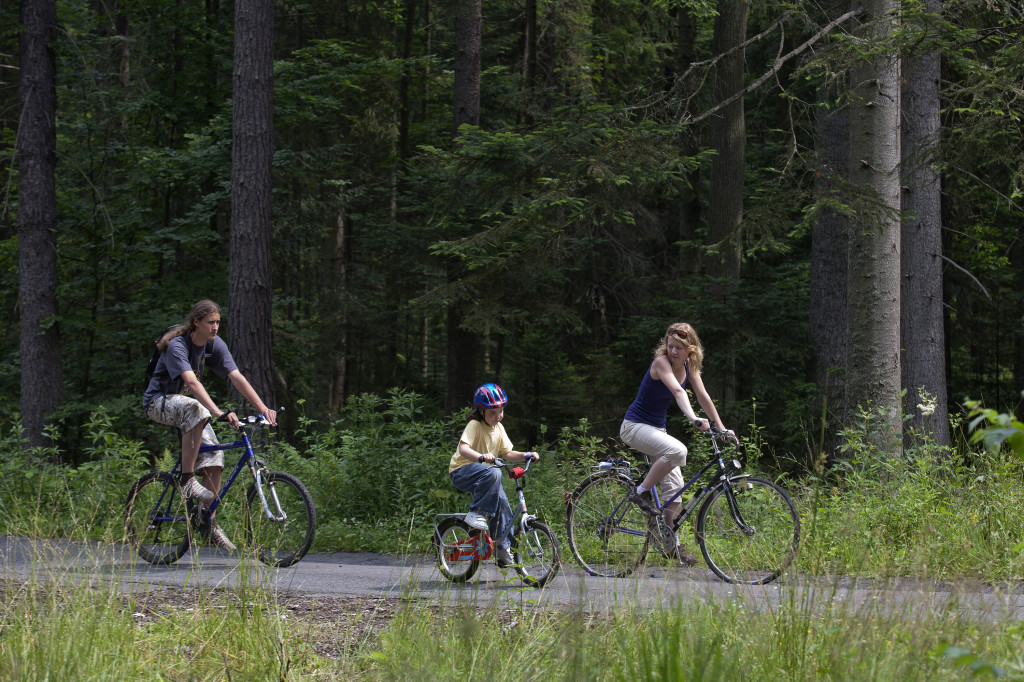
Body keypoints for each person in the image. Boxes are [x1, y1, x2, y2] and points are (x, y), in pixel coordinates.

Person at [142, 299, 277, 552]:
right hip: (158, 402)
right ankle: (186, 480)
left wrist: (263, 408)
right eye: (210, 322)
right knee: (197, 408)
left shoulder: (214, 345)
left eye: (218, 322)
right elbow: (192, 383)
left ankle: (208, 523)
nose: (215, 327)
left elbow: (236, 376)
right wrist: (218, 412)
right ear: (196, 322)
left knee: (215, 458)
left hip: (189, 411)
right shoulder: (178, 345)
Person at [620, 322, 735, 564]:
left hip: (656, 430)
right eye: (670, 346)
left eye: (679, 348)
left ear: (690, 350)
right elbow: (678, 392)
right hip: (634, 427)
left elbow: (702, 396)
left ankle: (671, 545)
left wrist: (721, 428)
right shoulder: (661, 363)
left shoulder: (689, 366)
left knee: (676, 491)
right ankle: (640, 492)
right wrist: (693, 418)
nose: (673, 352)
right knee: (678, 450)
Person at [448, 383, 537, 568]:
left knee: (503, 504)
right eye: (492, 413)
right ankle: (476, 513)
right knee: (494, 472)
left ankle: (502, 548)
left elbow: (508, 454)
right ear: (481, 411)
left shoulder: (499, 428)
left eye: (500, 411)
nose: (497, 416)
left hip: (485, 474)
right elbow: (464, 449)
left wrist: (526, 455)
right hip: (462, 471)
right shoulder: (475, 425)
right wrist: (481, 457)